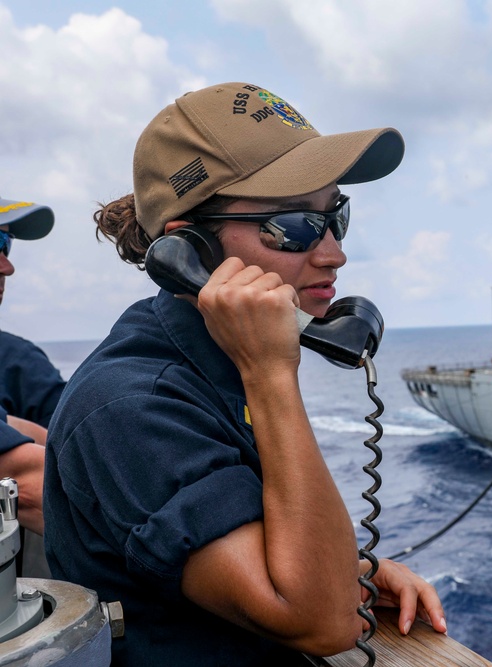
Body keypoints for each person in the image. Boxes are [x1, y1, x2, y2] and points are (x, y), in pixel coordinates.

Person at [43, 82, 446, 665]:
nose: (334, 253)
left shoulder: (213, 363)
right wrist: (271, 372)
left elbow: (252, 524)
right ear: (190, 253)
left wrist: (357, 565)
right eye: (295, 226)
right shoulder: (130, 408)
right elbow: (323, 621)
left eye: (336, 215)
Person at [0, 198, 63, 575]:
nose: (8, 266)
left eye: (5, 246)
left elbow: (77, 431)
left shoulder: (16, 359)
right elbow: (27, 481)